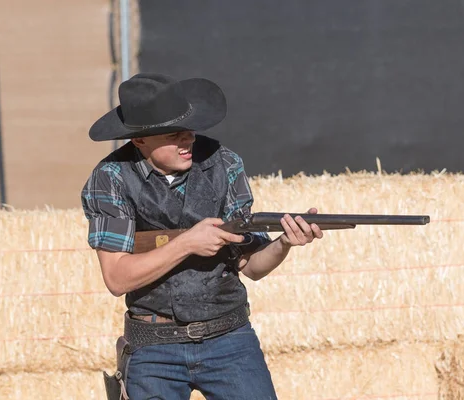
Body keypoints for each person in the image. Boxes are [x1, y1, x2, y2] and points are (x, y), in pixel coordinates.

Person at [81, 73, 323, 400]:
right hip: (153, 345)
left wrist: (284, 243)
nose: (188, 139)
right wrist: (188, 243)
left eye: (189, 128)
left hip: (229, 338)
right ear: (139, 140)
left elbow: (251, 266)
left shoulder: (224, 163)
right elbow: (117, 278)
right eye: (173, 134)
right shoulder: (110, 179)